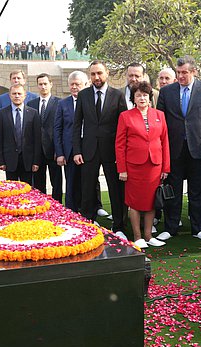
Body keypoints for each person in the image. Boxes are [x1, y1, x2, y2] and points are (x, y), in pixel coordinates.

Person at [156, 55, 201, 242]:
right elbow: (160, 122)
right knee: (171, 190)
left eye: (185, 72)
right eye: (179, 73)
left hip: (199, 148)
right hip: (173, 149)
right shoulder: (167, 92)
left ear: (194, 72)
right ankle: (171, 227)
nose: (181, 76)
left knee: (198, 190)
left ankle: (198, 227)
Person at [73, 60, 128, 239]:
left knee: (115, 189)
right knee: (87, 188)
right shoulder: (83, 95)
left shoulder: (117, 95)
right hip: (88, 150)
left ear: (107, 73)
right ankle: (88, 222)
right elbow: (77, 125)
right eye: (93, 74)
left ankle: (119, 224)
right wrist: (77, 150)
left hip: (112, 151)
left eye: (99, 73)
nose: (96, 77)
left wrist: (122, 153)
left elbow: (124, 126)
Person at [116, 81, 170, 249]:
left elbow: (165, 141)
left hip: (154, 165)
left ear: (150, 97)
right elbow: (120, 145)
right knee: (135, 201)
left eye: (145, 95)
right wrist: (122, 169)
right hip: (134, 167)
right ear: (133, 98)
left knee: (151, 201)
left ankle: (148, 235)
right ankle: (138, 236)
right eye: (138, 95)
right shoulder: (126, 116)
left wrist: (165, 168)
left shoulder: (159, 115)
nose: (142, 98)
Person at [54, 71, 89, 212]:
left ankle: (88, 212)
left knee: (87, 183)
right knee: (71, 183)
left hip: (87, 149)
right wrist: (60, 153)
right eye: (72, 84)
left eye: (78, 84)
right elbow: (57, 129)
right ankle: (71, 212)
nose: (74, 87)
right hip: (68, 151)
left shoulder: (90, 102)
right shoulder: (63, 104)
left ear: (85, 85)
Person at [0, 84, 42, 182]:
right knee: (12, 192)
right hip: (9, 161)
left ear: (25, 96)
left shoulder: (33, 113)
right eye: (14, 94)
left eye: (19, 93)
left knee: (27, 191)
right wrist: (1, 161)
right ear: (10, 95)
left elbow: (37, 139)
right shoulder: (2, 114)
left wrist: (36, 161)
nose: (17, 96)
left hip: (28, 161)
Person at [28, 73, 62, 202]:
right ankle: (41, 205)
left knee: (57, 182)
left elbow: (61, 128)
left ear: (51, 84)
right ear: (37, 86)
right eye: (40, 84)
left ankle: (57, 205)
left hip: (53, 150)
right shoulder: (31, 104)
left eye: (45, 84)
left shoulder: (59, 103)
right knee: (38, 183)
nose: (43, 87)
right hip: (37, 152)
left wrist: (59, 151)